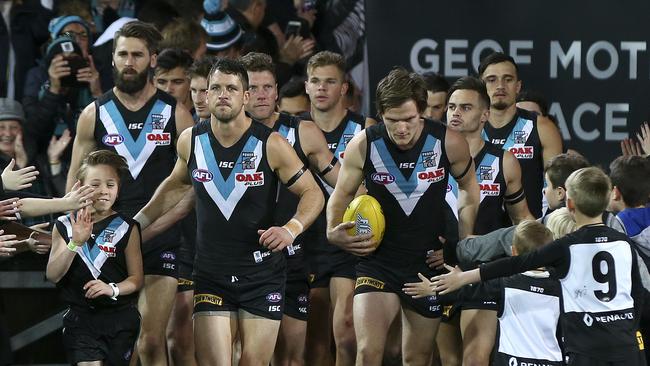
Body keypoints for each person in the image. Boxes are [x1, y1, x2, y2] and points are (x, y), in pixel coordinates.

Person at [134, 58, 324, 365]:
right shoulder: (191, 140)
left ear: (245, 96)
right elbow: (173, 186)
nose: (223, 94)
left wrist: (291, 229)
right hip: (211, 274)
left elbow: (313, 193)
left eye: (232, 88)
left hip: (262, 275)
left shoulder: (271, 144)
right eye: (217, 88)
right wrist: (135, 225)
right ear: (206, 95)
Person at [326, 67, 480, 365]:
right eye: (392, 121)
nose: (401, 129)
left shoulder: (448, 142)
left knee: (416, 358)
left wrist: (460, 242)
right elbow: (341, 194)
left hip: (425, 265)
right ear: (381, 113)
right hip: (378, 261)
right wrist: (332, 229)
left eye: (409, 119)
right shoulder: (365, 143)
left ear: (422, 111)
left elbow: (470, 189)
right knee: (367, 351)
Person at [65, 21, 194, 365]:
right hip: (104, 244)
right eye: (122, 54)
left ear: (153, 60)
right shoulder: (94, 113)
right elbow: (74, 185)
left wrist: (142, 232)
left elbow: (191, 189)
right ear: (113, 59)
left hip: (159, 239)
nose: (129, 62)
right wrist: (68, 231)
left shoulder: (177, 114)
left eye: (137, 55)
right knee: (114, 348)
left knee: (151, 343)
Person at [433, 167, 647, 366]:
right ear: (608, 199)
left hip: (587, 349)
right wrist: (626, 326)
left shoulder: (567, 246)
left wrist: (464, 277)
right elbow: (637, 293)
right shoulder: (624, 242)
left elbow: (515, 264)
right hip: (625, 346)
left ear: (570, 205)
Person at [240, 51, 339, 366]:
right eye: (253, 88)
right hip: (236, 258)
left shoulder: (303, 132)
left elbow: (345, 184)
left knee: (291, 359)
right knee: (242, 355)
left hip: (291, 258)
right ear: (241, 92)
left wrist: (368, 212)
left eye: (268, 87)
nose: (261, 95)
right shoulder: (218, 134)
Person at [443, 76, 534, 366]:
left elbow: (522, 220)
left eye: (466, 107)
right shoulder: (430, 155)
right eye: (452, 106)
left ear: (485, 115)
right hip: (434, 270)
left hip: (482, 273)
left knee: (474, 360)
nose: (456, 113)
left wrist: (548, 243)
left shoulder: (503, 160)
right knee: (442, 359)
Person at [406, 220, 564, 366]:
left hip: (511, 361)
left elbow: (465, 293)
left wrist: (432, 290)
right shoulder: (562, 288)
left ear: (513, 251)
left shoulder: (504, 284)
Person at [302, 50, 373, 366]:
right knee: (315, 340)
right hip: (307, 240)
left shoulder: (366, 128)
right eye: (315, 81)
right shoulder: (294, 130)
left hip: (349, 239)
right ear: (306, 86)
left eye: (329, 81)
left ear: (344, 87)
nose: (321, 88)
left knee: (346, 332)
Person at [46, 150, 144, 366]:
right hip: (81, 320)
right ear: (80, 185)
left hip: (121, 318)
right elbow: (53, 274)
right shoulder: (64, 224)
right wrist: (76, 242)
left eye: (110, 185)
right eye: (95, 184)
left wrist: (112, 289)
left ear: (118, 190)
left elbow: (136, 279)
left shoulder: (128, 227)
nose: (103, 191)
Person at [479, 52, 563, 219]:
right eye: (492, 79)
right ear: (481, 86)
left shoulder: (542, 127)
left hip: (529, 234)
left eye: (508, 79)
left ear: (518, 86)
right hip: (479, 238)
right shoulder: (470, 129)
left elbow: (558, 188)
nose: (500, 85)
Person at [154, 48, 194, 114]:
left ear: (191, 83)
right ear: (154, 82)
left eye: (177, 82)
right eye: (161, 82)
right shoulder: (147, 117)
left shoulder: (204, 119)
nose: (168, 89)